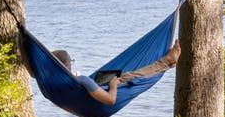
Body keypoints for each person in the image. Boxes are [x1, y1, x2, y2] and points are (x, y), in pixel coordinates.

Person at [50, 43, 182, 106]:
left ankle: (168, 62)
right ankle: (167, 62)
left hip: (86, 95)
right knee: (134, 74)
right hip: (99, 101)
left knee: (107, 75)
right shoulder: (82, 80)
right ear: (68, 65)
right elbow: (110, 100)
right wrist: (113, 85)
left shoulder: (51, 81)